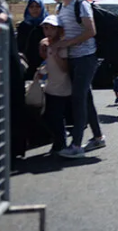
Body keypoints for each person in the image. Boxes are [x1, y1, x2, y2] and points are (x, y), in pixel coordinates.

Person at [45, 0, 105, 159]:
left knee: (78, 98)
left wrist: (66, 43)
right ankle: (97, 137)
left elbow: (91, 31)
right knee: (85, 97)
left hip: (86, 57)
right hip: (72, 58)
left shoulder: (81, 3)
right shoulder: (60, 8)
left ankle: (77, 144)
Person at [37, 15, 71, 155]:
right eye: (46, 28)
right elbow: (48, 64)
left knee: (56, 117)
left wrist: (56, 53)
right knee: (50, 116)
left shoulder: (61, 46)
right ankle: (58, 142)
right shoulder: (49, 45)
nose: (48, 31)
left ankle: (61, 143)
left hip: (61, 88)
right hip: (51, 87)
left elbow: (64, 68)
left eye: (52, 28)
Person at [17, 0, 48, 80]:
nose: (34, 9)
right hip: (25, 65)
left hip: (44, 66)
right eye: (31, 7)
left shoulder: (47, 26)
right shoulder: (23, 26)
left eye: (37, 6)